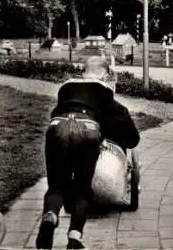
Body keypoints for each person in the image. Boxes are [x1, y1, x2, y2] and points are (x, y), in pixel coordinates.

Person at [36, 56, 140, 250]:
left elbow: (58, 111)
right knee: (83, 188)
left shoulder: (65, 87)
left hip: (57, 126)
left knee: (57, 186)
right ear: (103, 72)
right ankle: (74, 238)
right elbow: (120, 126)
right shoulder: (104, 90)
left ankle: (50, 215)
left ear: (84, 70)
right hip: (87, 129)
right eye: (107, 74)